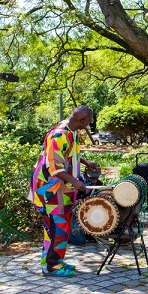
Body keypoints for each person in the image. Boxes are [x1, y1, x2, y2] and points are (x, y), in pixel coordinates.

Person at [29, 105, 99, 277]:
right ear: (82, 120)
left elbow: (66, 154)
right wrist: (75, 182)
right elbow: (55, 168)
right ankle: (51, 266)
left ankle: (54, 261)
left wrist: (85, 163)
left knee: (60, 226)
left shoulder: (70, 129)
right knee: (57, 227)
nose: (89, 124)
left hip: (60, 187)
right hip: (49, 189)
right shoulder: (59, 134)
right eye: (89, 121)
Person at [68, 166, 103, 245]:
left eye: (96, 177)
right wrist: (75, 201)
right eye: (92, 178)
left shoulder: (99, 184)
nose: (95, 180)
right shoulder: (76, 182)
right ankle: (68, 235)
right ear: (85, 175)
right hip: (74, 212)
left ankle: (88, 233)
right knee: (79, 241)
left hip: (90, 213)